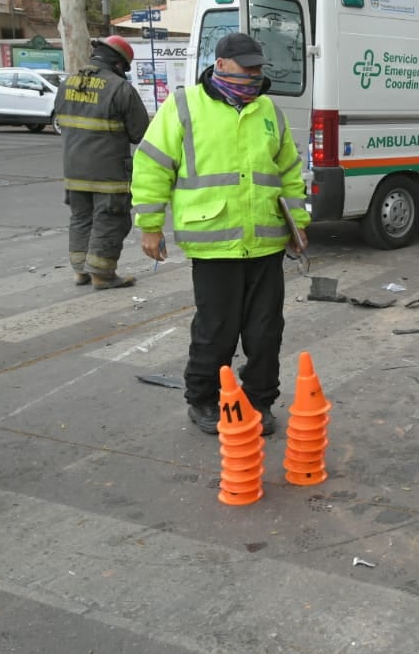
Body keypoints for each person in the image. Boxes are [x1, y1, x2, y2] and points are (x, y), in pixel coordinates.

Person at [132, 32, 309, 437]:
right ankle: (203, 399)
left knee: (266, 332)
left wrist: (298, 224)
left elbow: (289, 173)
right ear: (222, 64)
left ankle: (258, 401)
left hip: (265, 242)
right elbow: (152, 165)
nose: (253, 74)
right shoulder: (184, 106)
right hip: (213, 244)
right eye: (246, 66)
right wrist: (150, 224)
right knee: (216, 330)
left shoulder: (268, 110)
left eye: (257, 67)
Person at [54, 35, 150, 289]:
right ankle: (102, 274)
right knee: (110, 218)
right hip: (108, 172)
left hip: (73, 169)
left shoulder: (67, 84)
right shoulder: (120, 88)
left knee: (81, 218)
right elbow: (140, 132)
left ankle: (80, 271)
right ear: (119, 64)